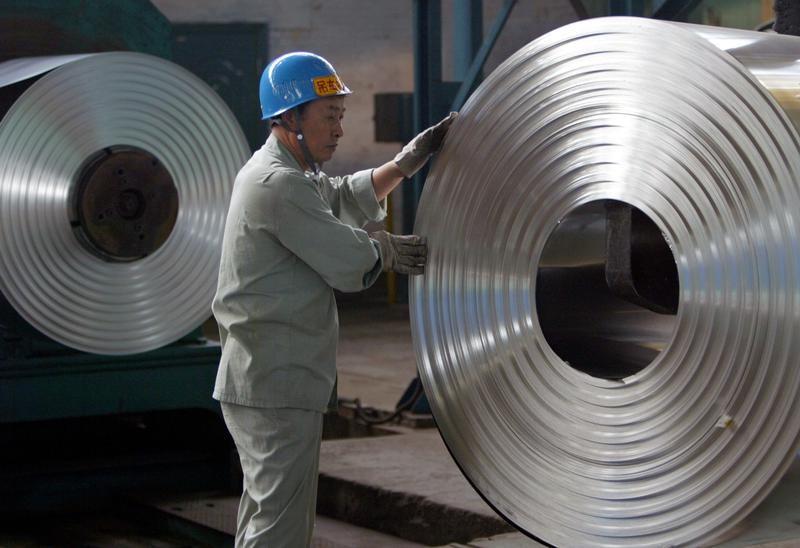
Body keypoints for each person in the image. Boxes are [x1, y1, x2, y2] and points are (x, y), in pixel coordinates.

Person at [211, 51, 456, 547]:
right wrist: (388, 250)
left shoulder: (291, 174)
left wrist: (404, 163)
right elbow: (346, 258)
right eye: (329, 116)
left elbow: (339, 196)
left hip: (274, 380)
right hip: (274, 384)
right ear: (289, 117)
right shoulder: (276, 184)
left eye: (341, 115)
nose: (339, 129)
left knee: (270, 515)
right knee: (278, 527)